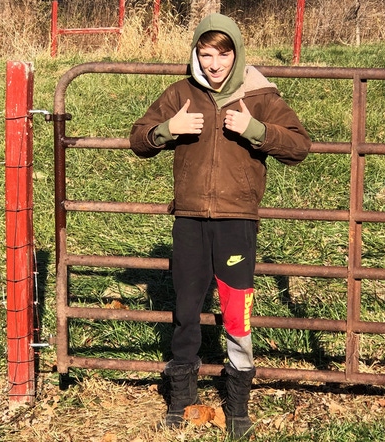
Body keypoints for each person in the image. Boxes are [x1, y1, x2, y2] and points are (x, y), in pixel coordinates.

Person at [129, 13, 312, 439]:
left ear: (237, 54)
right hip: (190, 218)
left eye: (222, 55)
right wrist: (166, 130)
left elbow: (300, 146)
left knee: (236, 309)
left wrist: (256, 129)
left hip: (236, 221)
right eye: (205, 54)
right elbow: (138, 138)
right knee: (186, 306)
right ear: (195, 53)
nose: (212, 64)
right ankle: (181, 397)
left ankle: (238, 399)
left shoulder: (260, 94)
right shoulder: (181, 93)